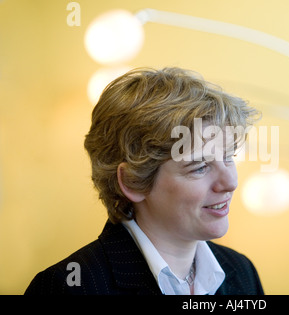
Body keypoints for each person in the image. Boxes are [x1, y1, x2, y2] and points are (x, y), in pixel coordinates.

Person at [25, 67, 264, 295]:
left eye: (229, 157)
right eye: (200, 167)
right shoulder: (68, 288)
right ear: (133, 181)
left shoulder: (241, 272)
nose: (231, 182)